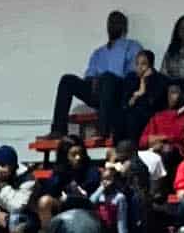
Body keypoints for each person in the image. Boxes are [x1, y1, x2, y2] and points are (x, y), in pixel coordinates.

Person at [50, 10, 143, 141]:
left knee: (108, 78)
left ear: (124, 27)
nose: (113, 25)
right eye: (110, 22)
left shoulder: (132, 46)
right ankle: (58, 130)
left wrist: (106, 78)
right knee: (67, 80)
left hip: (119, 93)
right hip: (98, 91)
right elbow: (89, 74)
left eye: (117, 22)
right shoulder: (99, 52)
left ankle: (102, 130)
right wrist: (92, 80)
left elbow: (134, 74)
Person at [92, 150, 148, 233]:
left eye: (109, 180)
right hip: (101, 230)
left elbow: (121, 219)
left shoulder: (121, 195)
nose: (107, 182)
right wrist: (101, 187)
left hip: (119, 229)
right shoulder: (100, 193)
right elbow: (91, 201)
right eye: (104, 180)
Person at [138, 80, 184, 178]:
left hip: (179, 155)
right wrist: (157, 142)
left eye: (174, 92)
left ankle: (159, 192)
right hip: (154, 152)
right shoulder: (158, 116)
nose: (169, 96)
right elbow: (142, 141)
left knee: (166, 151)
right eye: (168, 93)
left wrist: (163, 139)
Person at [115, 49, 168, 145]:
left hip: (151, 115)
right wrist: (139, 92)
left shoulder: (160, 80)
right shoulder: (131, 79)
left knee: (133, 117)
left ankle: (134, 148)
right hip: (132, 115)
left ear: (151, 66)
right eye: (137, 64)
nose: (139, 67)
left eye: (143, 64)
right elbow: (127, 104)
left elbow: (152, 103)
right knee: (120, 116)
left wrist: (144, 83)